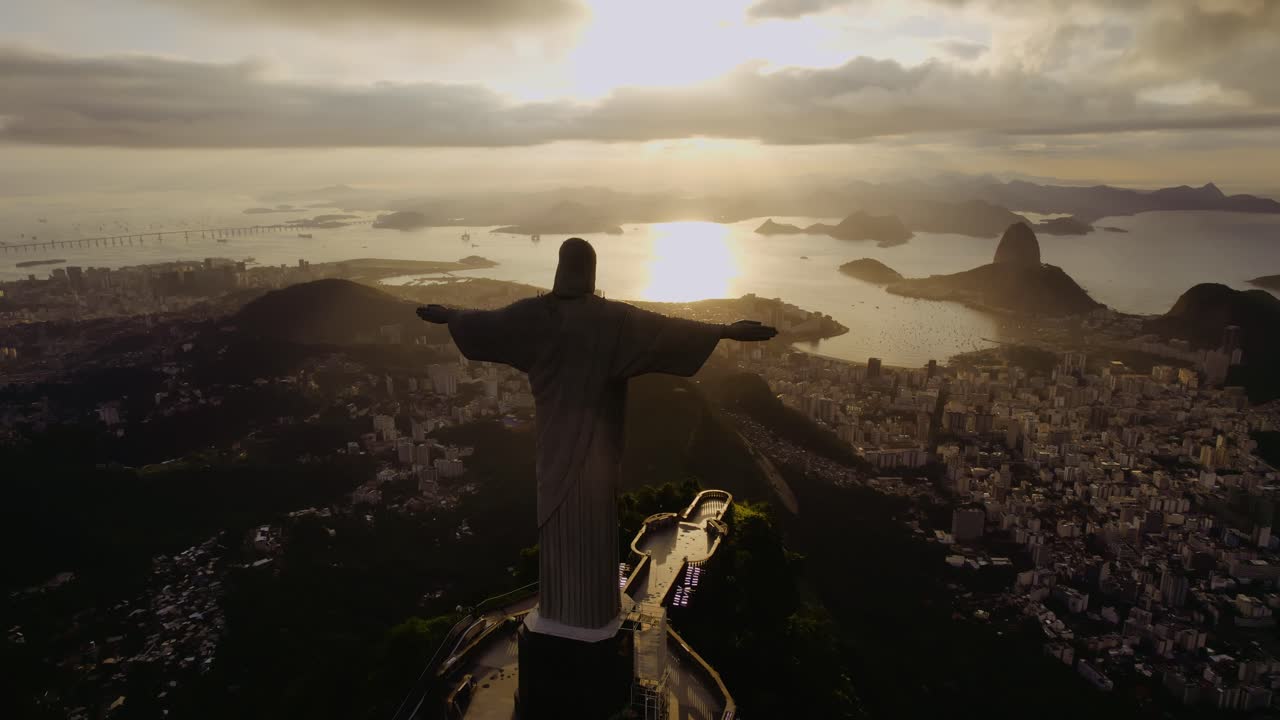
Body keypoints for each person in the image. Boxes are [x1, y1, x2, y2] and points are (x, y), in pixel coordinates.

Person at [418, 237, 775, 633]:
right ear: (590, 270)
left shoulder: (531, 315)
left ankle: (560, 611)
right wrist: (724, 330)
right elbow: (666, 332)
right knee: (594, 519)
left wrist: (450, 315)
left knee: (556, 519)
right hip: (597, 447)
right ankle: (591, 611)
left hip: (552, 447)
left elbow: (485, 323)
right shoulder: (612, 319)